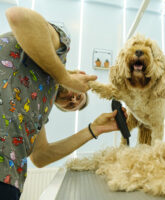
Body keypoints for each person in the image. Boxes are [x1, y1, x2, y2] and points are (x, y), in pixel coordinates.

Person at [0, 7, 124, 200]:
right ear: (80, 75)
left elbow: (40, 157)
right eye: (79, 95)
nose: (73, 100)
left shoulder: (39, 111)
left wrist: (94, 129)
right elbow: (18, 16)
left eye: (73, 106)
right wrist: (65, 77)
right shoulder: (59, 50)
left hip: (8, 180)